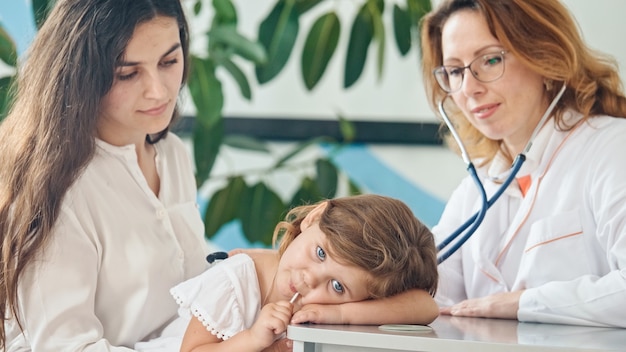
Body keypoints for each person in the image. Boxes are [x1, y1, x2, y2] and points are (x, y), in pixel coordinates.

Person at [0, 0, 211, 350]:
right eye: (128, 73)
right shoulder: (63, 190)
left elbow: (189, 300)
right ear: (83, 75)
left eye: (169, 61)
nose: (158, 91)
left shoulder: (173, 155)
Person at [420, 0, 626, 327]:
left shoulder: (612, 147)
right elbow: (423, 290)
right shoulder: (477, 190)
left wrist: (524, 303)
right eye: (456, 71)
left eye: (490, 60)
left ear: (545, 59)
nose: (469, 88)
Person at [134, 194, 439, 352]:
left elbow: (425, 305)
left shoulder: (326, 308)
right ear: (315, 217)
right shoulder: (236, 280)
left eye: (336, 285)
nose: (309, 280)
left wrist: (340, 313)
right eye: (320, 253)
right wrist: (253, 339)